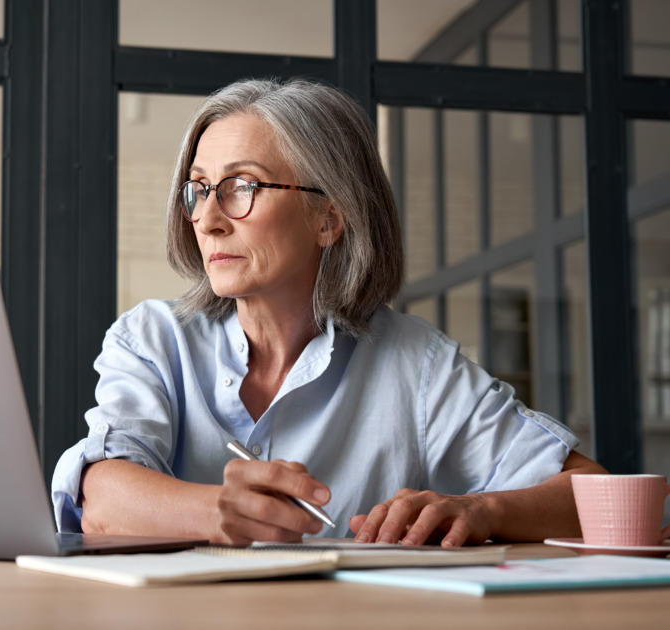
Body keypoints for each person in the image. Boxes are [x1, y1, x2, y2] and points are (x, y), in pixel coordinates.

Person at [52, 77, 606, 547]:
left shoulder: (418, 364)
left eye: (241, 186)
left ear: (329, 218)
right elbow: (100, 497)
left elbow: (600, 497)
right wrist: (220, 511)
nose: (209, 219)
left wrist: (484, 512)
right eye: (198, 190)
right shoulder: (152, 339)